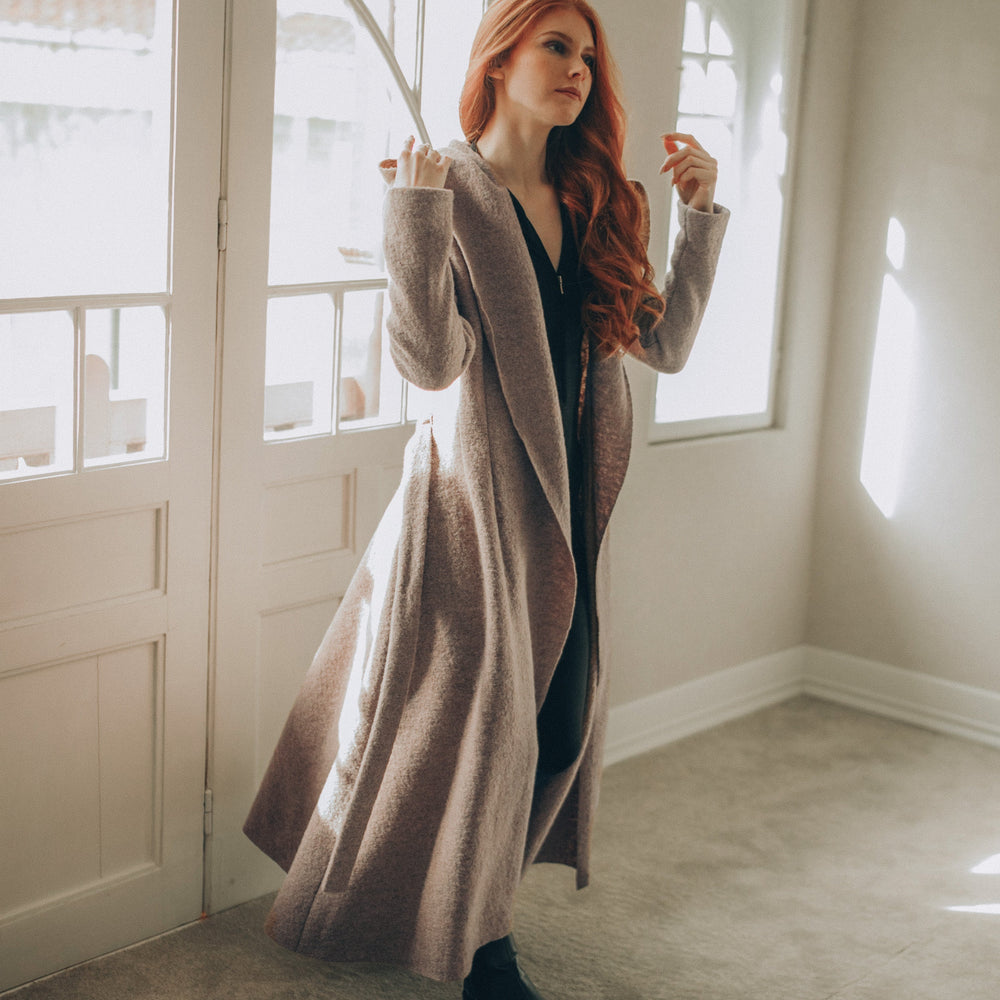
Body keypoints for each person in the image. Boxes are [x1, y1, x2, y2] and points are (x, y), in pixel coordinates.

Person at [244, 1, 728, 996]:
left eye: (588, 55)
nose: (579, 70)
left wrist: (698, 218)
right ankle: (481, 951)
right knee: (476, 726)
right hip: (472, 514)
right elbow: (431, 363)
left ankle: (462, 918)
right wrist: (413, 222)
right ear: (498, 59)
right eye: (557, 46)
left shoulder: (597, 197)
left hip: (565, 522)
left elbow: (665, 345)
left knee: (551, 726)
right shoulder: (452, 188)